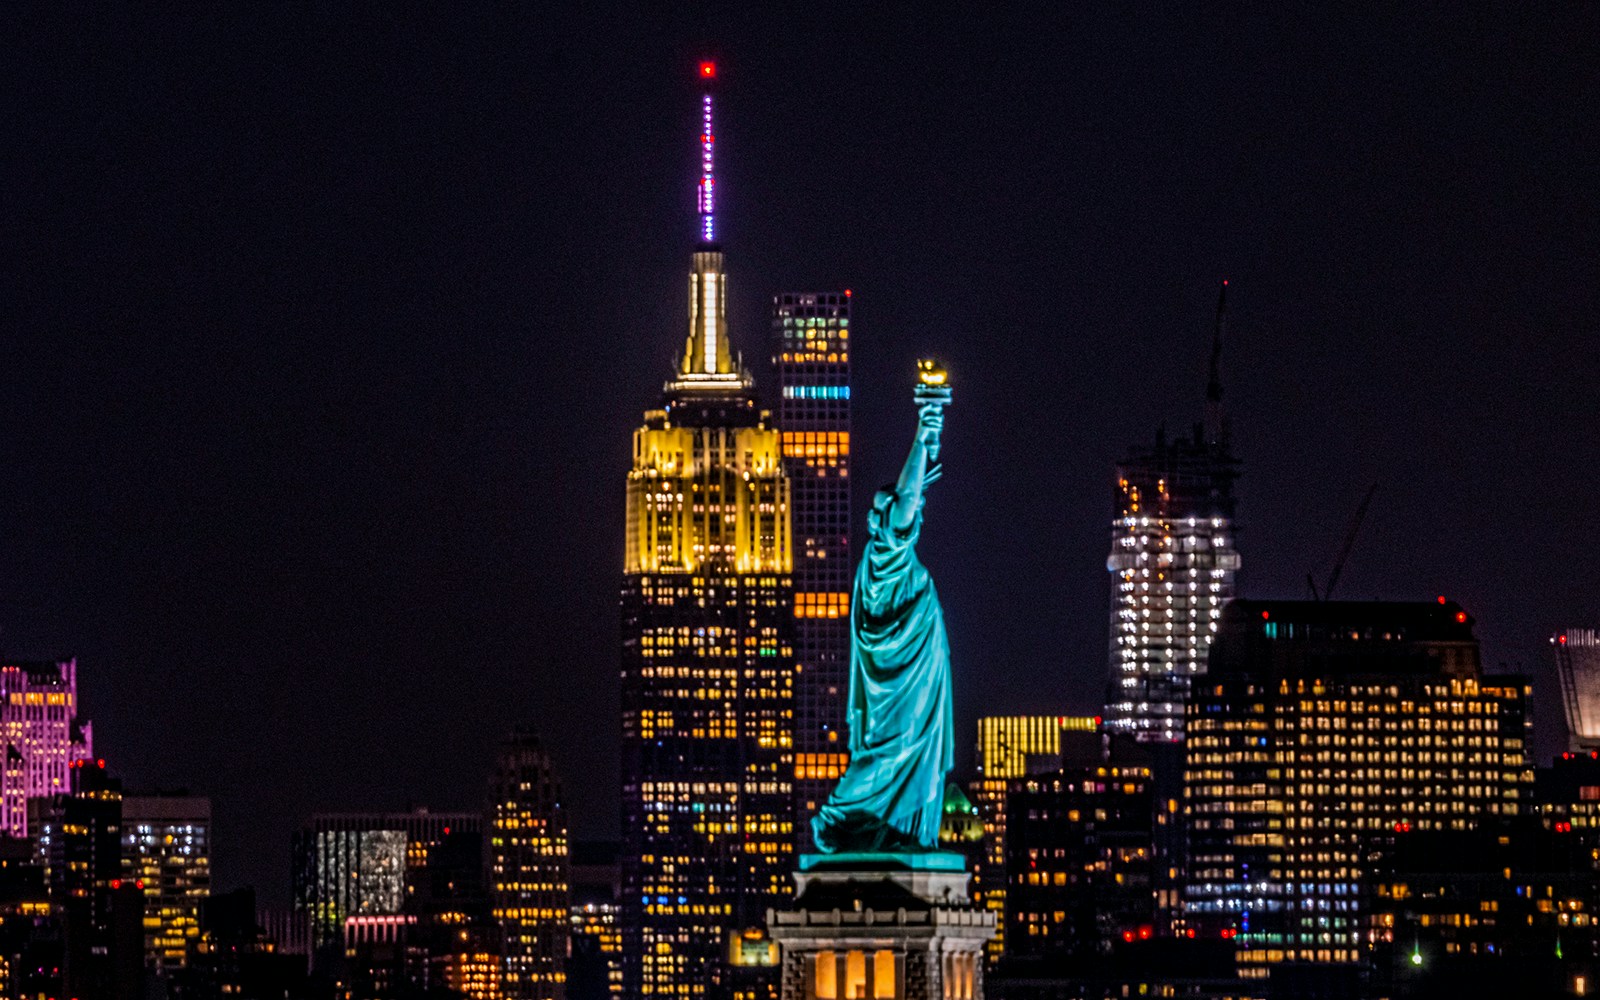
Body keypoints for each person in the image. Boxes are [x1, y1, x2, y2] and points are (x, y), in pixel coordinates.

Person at [812, 393, 952, 853]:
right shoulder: (887, 554)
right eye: (890, 511)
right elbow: (908, 494)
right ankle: (838, 815)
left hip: (911, 677)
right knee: (892, 750)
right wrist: (923, 433)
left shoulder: (882, 562)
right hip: (898, 684)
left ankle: (891, 830)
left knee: (898, 751)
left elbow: (913, 493)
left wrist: (928, 443)